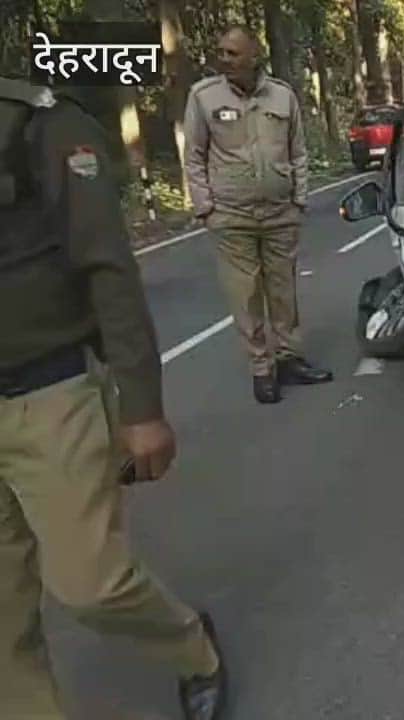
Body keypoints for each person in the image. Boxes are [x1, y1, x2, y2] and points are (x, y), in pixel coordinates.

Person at [0, 77, 227, 719]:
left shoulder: (38, 125)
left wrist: (142, 407)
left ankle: (193, 650)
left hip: (48, 393)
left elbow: (108, 267)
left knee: (89, 585)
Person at [182, 25, 333, 404]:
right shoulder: (203, 96)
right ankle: (261, 369)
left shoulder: (282, 96)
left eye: (233, 53)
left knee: (283, 291)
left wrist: (299, 200)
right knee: (245, 295)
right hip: (231, 216)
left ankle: (290, 359)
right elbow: (194, 155)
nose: (224, 59)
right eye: (221, 52)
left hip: (281, 212)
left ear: (255, 56)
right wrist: (206, 208)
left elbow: (297, 151)